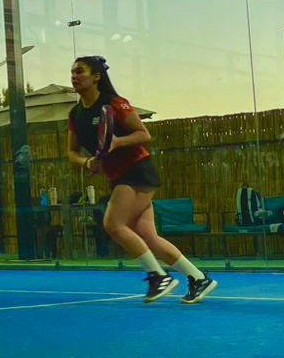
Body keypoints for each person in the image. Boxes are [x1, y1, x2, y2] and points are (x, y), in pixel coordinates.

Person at [65, 56, 217, 304]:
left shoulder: (115, 103)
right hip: (117, 175)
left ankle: (158, 276)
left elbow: (143, 135)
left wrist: (117, 142)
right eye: (72, 72)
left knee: (113, 224)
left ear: (96, 77)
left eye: (80, 71)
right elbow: (71, 152)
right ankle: (199, 278)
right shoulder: (75, 114)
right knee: (148, 236)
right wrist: (87, 162)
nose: (74, 76)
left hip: (137, 170)